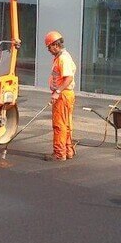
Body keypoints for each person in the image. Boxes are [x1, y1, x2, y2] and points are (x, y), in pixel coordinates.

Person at [44, 30, 77, 162]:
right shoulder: (61, 57)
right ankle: (68, 151)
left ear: (55, 45)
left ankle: (59, 153)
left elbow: (68, 78)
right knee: (66, 124)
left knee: (59, 125)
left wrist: (57, 92)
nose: (48, 50)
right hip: (65, 94)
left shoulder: (63, 58)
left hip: (63, 95)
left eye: (49, 47)